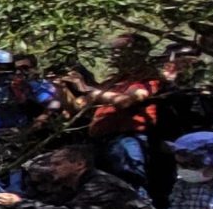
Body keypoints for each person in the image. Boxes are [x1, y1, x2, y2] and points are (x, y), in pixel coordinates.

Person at [0, 145, 156, 209]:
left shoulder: (98, 184)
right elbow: (52, 202)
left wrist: (19, 203)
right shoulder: (73, 184)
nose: (52, 168)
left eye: (58, 164)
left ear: (79, 165)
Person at [70, 34, 165, 188]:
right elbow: (80, 106)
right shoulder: (113, 80)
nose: (114, 54)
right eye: (113, 50)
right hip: (100, 140)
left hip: (127, 139)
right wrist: (63, 87)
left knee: (129, 183)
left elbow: (126, 100)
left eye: (120, 50)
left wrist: (88, 88)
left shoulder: (147, 77)